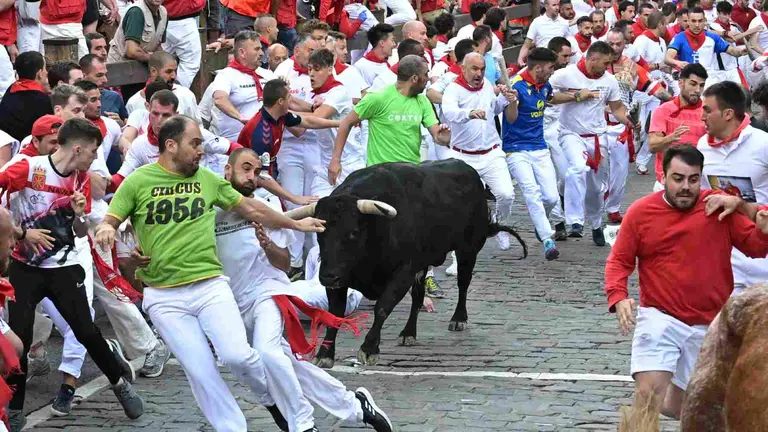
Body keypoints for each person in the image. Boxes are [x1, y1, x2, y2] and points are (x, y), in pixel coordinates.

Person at [94, 114, 325, 432]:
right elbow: (111, 219)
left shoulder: (207, 179)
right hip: (164, 298)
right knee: (202, 373)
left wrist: (295, 224)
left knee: (239, 357)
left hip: (211, 287)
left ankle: (271, 400)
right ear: (171, 145)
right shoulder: (138, 181)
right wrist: (107, 229)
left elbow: (253, 209)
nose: (201, 150)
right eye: (195, 143)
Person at [215, 147, 393, 432]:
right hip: (230, 301)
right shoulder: (210, 211)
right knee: (285, 365)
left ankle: (302, 422)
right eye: (245, 169)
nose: (251, 177)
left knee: (269, 353)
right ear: (227, 171)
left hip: (267, 293)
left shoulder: (268, 208)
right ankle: (356, 406)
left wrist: (268, 246)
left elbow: (284, 263)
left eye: (256, 172)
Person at [604, 144, 768, 423]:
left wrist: (763, 230)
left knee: (692, 411)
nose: (685, 187)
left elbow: (755, 247)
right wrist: (618, 296)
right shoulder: (641, 212)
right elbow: (619, 260)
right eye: (678, 179)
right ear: (663, 175)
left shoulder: (718, 207)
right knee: (648, 396)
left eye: (693, 179)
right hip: (660, 317)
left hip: (709, 324)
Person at [2, 118, 144, 431]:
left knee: (86, 331)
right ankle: (15, 408)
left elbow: (78, 231)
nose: (95, 159)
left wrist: (79, 217)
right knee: (20, 338)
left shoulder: (80, 180)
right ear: (77, 148)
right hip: (25, 268)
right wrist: (23, 233)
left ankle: (120, 384)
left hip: (64, 267)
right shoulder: (28, 168)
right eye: (93, 152)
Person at [548, 41, 634, 245]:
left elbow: (617, 107)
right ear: (593, 58)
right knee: (577, 168)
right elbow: (547, 95)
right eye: (605, 63)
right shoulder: (565, 74)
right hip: (570, 133)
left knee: (596, 189)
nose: (607, 67)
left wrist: (629, 120)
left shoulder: (609, 80)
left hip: (597, 137)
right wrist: (575, 96)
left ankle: (596, 224)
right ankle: (575, 222)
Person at [698, 81, 768, 297]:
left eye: (707, 110)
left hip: (763, 257)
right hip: (726, 260)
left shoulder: (763, 144)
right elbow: (702, 198)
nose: (701, 117)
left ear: (728, 114)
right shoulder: (702, 146)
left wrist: (744, 206)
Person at [442, 52, 516, 253]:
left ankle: (499, 226)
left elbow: (495, 109)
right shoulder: (453, 89)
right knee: (461, 206)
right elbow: (449, 112)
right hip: (462, 156)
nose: (479, 73)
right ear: (463, 68)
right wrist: (469, 113)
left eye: (482, 69)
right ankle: (458, 253)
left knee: (506, 194)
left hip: (491, 153)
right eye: (474, 69)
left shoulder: (487, 87)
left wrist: (506, 99)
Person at [504, 48, 561, 260]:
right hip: (516, 149)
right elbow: (510, 118)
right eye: (550, 67)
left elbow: (552, 98)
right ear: (538, 67)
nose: (553, 71)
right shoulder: (517, 86)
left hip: (539, 146)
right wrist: (512, 101)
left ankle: (541, 222)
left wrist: (576, 96)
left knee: (551, 197)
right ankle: (547, 240)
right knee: (531, 191)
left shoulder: (544, 85)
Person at [648, 64, 708, 192]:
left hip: (698, 185)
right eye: (693, 84)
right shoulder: (663, 110)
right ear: (681, 83)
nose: (697, 90)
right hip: (665, 185)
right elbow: (652, 146)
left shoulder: (708, 112)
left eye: (701, 85)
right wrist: (670, 138)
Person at [210, 30, 275, 141]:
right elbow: (220, 100)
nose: (261, 53)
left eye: (261, 49)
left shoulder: (268, 74)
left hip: (261, 139)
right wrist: (241, 118)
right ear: (242, 53)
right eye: (256, 49)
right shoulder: (226, 75)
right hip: (231, 142)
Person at [665, 7, 747, 87]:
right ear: (688, 21)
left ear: (704, 21)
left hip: (709, 82)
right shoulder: (679, 38)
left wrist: (740, 52)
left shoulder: (713, 37)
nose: (697, 25)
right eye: (693, 21)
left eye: (700, 21)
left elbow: (732, 51)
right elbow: (667, 58)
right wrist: (678, 63)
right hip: (689, 83)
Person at [125, 51, 200, 121]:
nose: (174, 76)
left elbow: (198, 126)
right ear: (153, 71)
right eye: (169, 72)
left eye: (175, 71)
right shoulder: (134, 102)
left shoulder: (185, 95)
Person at [0, 52, 53, 142]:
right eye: (45, 69)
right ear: (39, 73)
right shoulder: (43, 101)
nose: (46, 72)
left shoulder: (11, 90)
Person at [159, 0, 205, 87]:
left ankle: (158, 91)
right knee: (189, 64)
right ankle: (176, 93)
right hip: (183, 19)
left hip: (162, 18)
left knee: (162, 62)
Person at [518, 0, 570, 66]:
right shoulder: (537, 22)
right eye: (554, 5)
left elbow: (569, 42)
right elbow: (526, 45)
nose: (557, 8)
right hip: (542, 61)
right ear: (546, 6)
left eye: (558, 5)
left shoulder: (564, 23)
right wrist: (520, 59)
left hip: (559, 62)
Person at [79, 54, 128, 124]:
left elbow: (126, 121)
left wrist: (120, 124)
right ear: (83, 76)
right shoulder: (72, 99)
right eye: (99, 75)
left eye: (105, 74)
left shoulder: (114, 97)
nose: (105, 80)